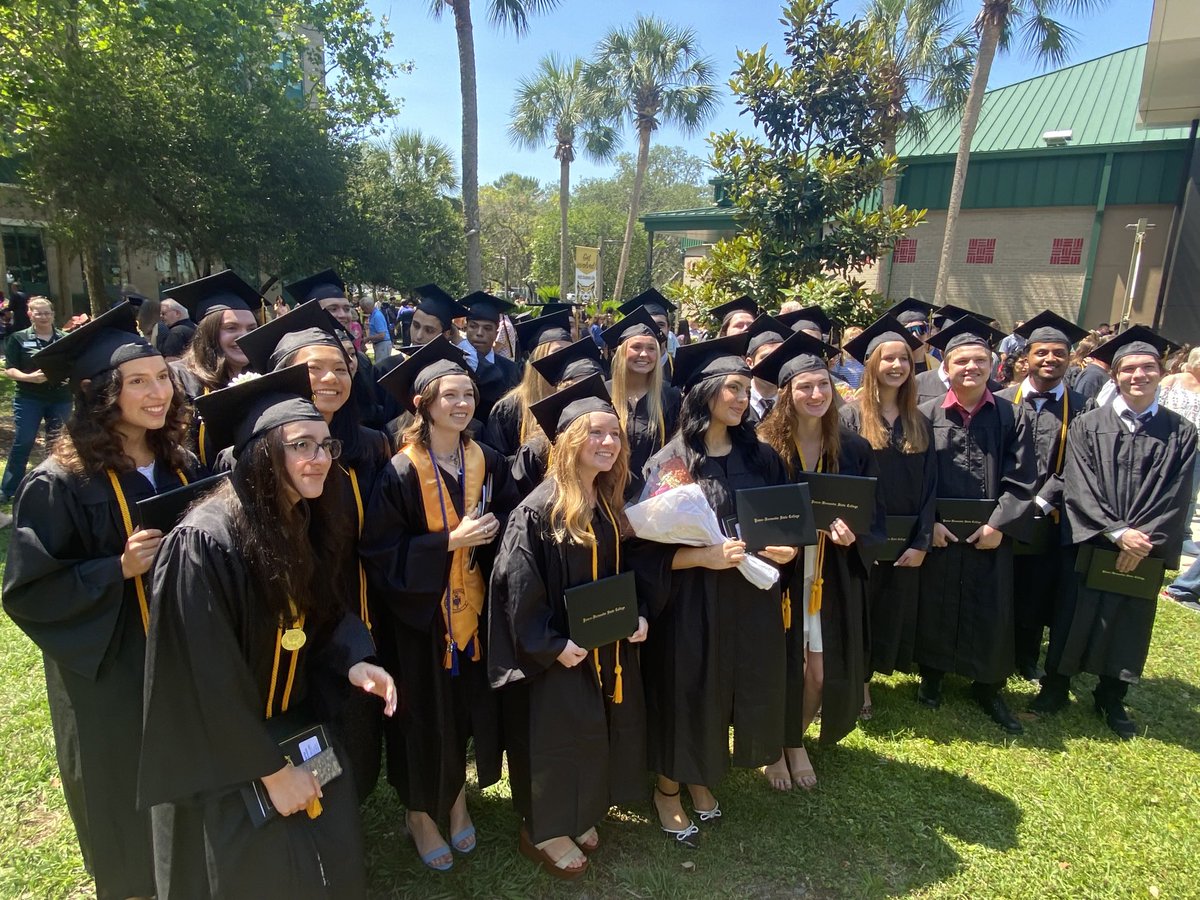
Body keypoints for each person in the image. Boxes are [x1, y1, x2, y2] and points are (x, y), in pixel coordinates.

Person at [140, 365, 397, 897]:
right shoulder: (204, 543)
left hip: (294, 723)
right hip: (229, 755)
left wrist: (354, 659)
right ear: (262, 454)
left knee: (326, 851)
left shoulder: (298, 516)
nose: (320, 458)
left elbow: (322, 611)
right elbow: (203, 680)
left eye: (326, 445)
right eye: (302, 445)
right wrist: (270, 772)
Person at [3, 302, 199, 900]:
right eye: (138, 382)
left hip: (180, 647)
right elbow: (30, 589)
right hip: (111, 667)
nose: (159, 392)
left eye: (162, 377)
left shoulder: (177, 462)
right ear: (96, 392)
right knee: (121, 786)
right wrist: (116, 568)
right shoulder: (59, 482)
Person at [633, 334, 793, 848]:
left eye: (746, 389)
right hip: (691, 600)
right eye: (732, 388)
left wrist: (784, 547)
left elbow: (783, 520)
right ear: (704, 393)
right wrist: (703, 557)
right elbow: (644, 551)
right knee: (688, 690)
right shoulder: (671, 464)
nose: (742, 398)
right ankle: (667, 789)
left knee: (730, 686)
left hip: (748, 596)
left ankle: (700, 775)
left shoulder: (761, 456)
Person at [360, 338, 514, 871]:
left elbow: (509, 521)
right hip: (418, 622)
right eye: (450, 395)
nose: (462, 404)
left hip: (472, 615)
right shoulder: (400, 471)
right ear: (422, 403)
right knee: (422, 717)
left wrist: (490, 534)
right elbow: (380, 552)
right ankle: (419, 813)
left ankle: (456, 801)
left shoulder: (486, 459)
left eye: (468, 394)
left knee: (463, 712)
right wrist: (447, 542)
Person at [489, 375, 648, 880]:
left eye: (615, 434)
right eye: (595, 433)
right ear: (569, 441)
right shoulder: (537, 511)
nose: (608, 442)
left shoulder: (604, 499)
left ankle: (577, 813)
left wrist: (637, 615)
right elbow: (516, 589)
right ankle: (542, 829)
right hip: (557, 655)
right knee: (553, 737)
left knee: (590, 728)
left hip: (599, 646)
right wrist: (552, 645)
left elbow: (623, 572)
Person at [237, 300, 393, 802]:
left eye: (341, 368)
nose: (331, 378)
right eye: (313, 369)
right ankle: (310, 811)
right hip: (285, 619)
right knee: (302, 721)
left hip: (349, 609)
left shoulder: (368, 446)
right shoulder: (249, 461)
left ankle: (345, 808)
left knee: (353, 724)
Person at [1032, 327, 1197, 738]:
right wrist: (1117, 532)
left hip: (1144, 547)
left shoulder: (1181, 432)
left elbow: (1178, 495)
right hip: (1092, 539)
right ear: (1116, 375)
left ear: (1161, 373)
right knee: (1072, 613)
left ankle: (1111, 695)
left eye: (1148, 368)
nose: (1138, 375)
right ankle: (1056, 687)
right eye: (1129, 369)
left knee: (1129, 619)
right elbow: (1079, 483)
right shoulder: (1088, 425)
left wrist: (1142, 540)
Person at [755, 329, 884, 790]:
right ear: (786, 393)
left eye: (823, 385)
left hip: (830, 572)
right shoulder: (762, 448)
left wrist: (854, 536)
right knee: (778, 667)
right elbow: (750, 513)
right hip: (781, 574)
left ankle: (795, 738)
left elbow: (873, 516)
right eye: (805, 386)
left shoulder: (853, 449)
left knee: (819, 673)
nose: (816, 394)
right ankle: (778, 746)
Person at [915, 316, 1038, 733]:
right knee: (936, 600)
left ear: (993, 365)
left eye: (980, 360)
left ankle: (988, 685)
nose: (971, 367)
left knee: (991, 604)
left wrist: (1000, 524)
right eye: (961, 361)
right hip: (942, 534)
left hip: (991, 535)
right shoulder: (925, 415)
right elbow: (916, 479)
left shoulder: (1012, 416)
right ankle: (932, 675)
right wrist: (930, 522)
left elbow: (1023, 478)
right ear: (946, 369)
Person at [839, 316, 936, 721]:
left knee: (890, 609)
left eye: (904, 359)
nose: (897, 366)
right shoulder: (849, 417)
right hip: (861, 538)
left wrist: (922, 540)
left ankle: (874, 672)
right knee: (858, 609)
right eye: (888, 358)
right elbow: (841, 485)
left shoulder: (920, 420)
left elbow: (931, 486)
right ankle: (858, 683)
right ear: (871, 364)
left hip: (904, 539)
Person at [995, 312, 1088, 682]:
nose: (1050, 359)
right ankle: (994, 649)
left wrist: (1043, 500)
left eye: (1059, 353)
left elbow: (1082, 464)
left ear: (1070, 358)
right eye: (1042, 352)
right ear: (1026, 358)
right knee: (1000, 583)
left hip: (1050, 516)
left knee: (1038, 588)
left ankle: (1027, 656)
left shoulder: (1083, 408)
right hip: (1003, 512)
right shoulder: (1001, 401)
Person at [167, 270, 261, 472]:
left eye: (251, 329)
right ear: (208, 333)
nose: (243, 336)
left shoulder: (263, 375)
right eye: (231, 328)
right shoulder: (178, 377)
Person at [600, 305, 682, 500]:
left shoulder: (670, 397)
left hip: (653, 499)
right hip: (604, 494)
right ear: (621, 352)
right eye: (636, 347)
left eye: (651, 348)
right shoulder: (602, 393)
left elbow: (677, 453)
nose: (644, 354)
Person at [285, 269, 383, 430]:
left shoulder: (361, 361)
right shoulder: (293, 358)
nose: (343, 315)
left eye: (346, 308)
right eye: (333, 309)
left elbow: (372, 410)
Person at [511, 337, 607, 497]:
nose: (590, 398)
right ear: (563, 392)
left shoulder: (610, 442)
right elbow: (519, 503)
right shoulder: (537, 450)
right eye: (581, 388)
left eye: (599, 388)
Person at [1, 297, 72, 501]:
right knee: (23, 441)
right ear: (30, 314)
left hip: (60, 398)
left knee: (57, 443)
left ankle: (55, 486)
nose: (43, 317)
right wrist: (29, 377)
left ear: (53, 314)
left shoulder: (65, 338)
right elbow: (9, 369)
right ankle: (9, 489)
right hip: (29, 398)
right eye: (38, 313)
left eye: (47, 313)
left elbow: (74, 363)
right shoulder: (18, 338)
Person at [483, 310, 573, 458]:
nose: (565, 359)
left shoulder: (575, 400)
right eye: (557, 352)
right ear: (537, 358)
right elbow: (498, 462)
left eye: (570, 352)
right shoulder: (508, 409)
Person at [462, 291, 522, 423]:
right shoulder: (454, 363)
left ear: (496, 333)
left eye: (487, 328)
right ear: (465, 328)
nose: (479, 333)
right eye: (473, 326)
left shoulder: (511, 370)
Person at [742, 315, 790, 426]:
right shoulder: (738, 402)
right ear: (750, 363)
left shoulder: (793, 402)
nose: (774, 362)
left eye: (780, 356)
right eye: (766, 357)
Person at [617, 289, 677, 377]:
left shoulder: (680, 369)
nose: (654, 329)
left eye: (660, 325)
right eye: (648, 324)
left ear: (668, 329)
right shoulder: (618, 370)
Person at [830, 325, 866, 390]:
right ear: (846, 340)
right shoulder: (839, 359)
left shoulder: (864, 359)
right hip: (843, 392)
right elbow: (833, 377)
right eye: (851, 339)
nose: (855, 342)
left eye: (859, 339)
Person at [363, 296, 392, 361]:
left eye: (363, 308)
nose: (363, 310)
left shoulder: (377, 316)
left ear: (367, 307)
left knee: (382, 365)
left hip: (383, 344)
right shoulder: (372, 315)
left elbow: (382, 335)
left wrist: (368, 338)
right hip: (379, 344)